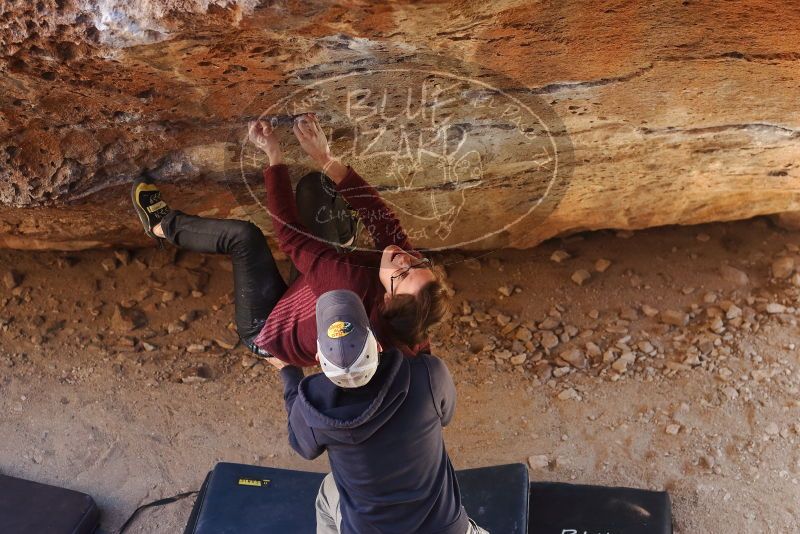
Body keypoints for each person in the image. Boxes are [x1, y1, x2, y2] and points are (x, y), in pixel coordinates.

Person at [130, 113, 448, 366]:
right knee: (314, 187)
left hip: (270, 326)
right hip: (313, 290)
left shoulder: (347, 286)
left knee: (244, 237)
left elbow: (290, 236)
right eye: (419, 262)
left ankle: (161, 225)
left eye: (402, 273)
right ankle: (341, 240)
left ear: (387, 300)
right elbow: (383, 221)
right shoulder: (414, 311)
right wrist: (325, 157)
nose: (406, 258)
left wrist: (273, 154)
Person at [276, 288, 488, 534]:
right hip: (446, 529)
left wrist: (289, 372)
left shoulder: (311, 405)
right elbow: (446, 415)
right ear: (376, 346)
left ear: (318, 357)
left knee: (328, 491)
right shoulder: (428, 374)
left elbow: (302, 444)